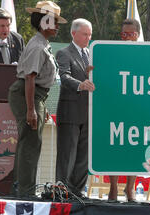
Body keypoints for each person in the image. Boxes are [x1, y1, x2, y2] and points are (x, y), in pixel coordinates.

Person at [8, 1, 67, 197]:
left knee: (30, 142)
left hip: (36, 95)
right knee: (31, 143)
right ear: (44, 23)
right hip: (28, 94)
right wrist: (31, 108)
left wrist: (38, 104)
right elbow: (30, 78)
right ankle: (25, 192)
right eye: (54, 22)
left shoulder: (43, 44)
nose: (57, 26)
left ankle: (21, 188)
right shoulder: (37, 46)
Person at [55, 18, 95, 199]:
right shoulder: (64, 53)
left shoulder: (92, 54)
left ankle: (77, 191)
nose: (88, 38)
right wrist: (81, 85)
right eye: (85, 34)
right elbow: (64, 77)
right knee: (67, 155)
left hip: (88, 114)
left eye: (90, 35)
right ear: (73, 33)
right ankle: (61, 191)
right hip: (70, 114)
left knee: (83, 157)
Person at [107, 18, 140, 202]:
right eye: (123, 34)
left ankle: (130, 188)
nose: (126, 38)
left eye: (130, 34)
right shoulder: (112, 51)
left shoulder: (145, 51)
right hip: (116, 106)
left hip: (136, 108)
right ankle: (113, 188)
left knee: (133, 147)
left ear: (137, 35)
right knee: (114, 147)